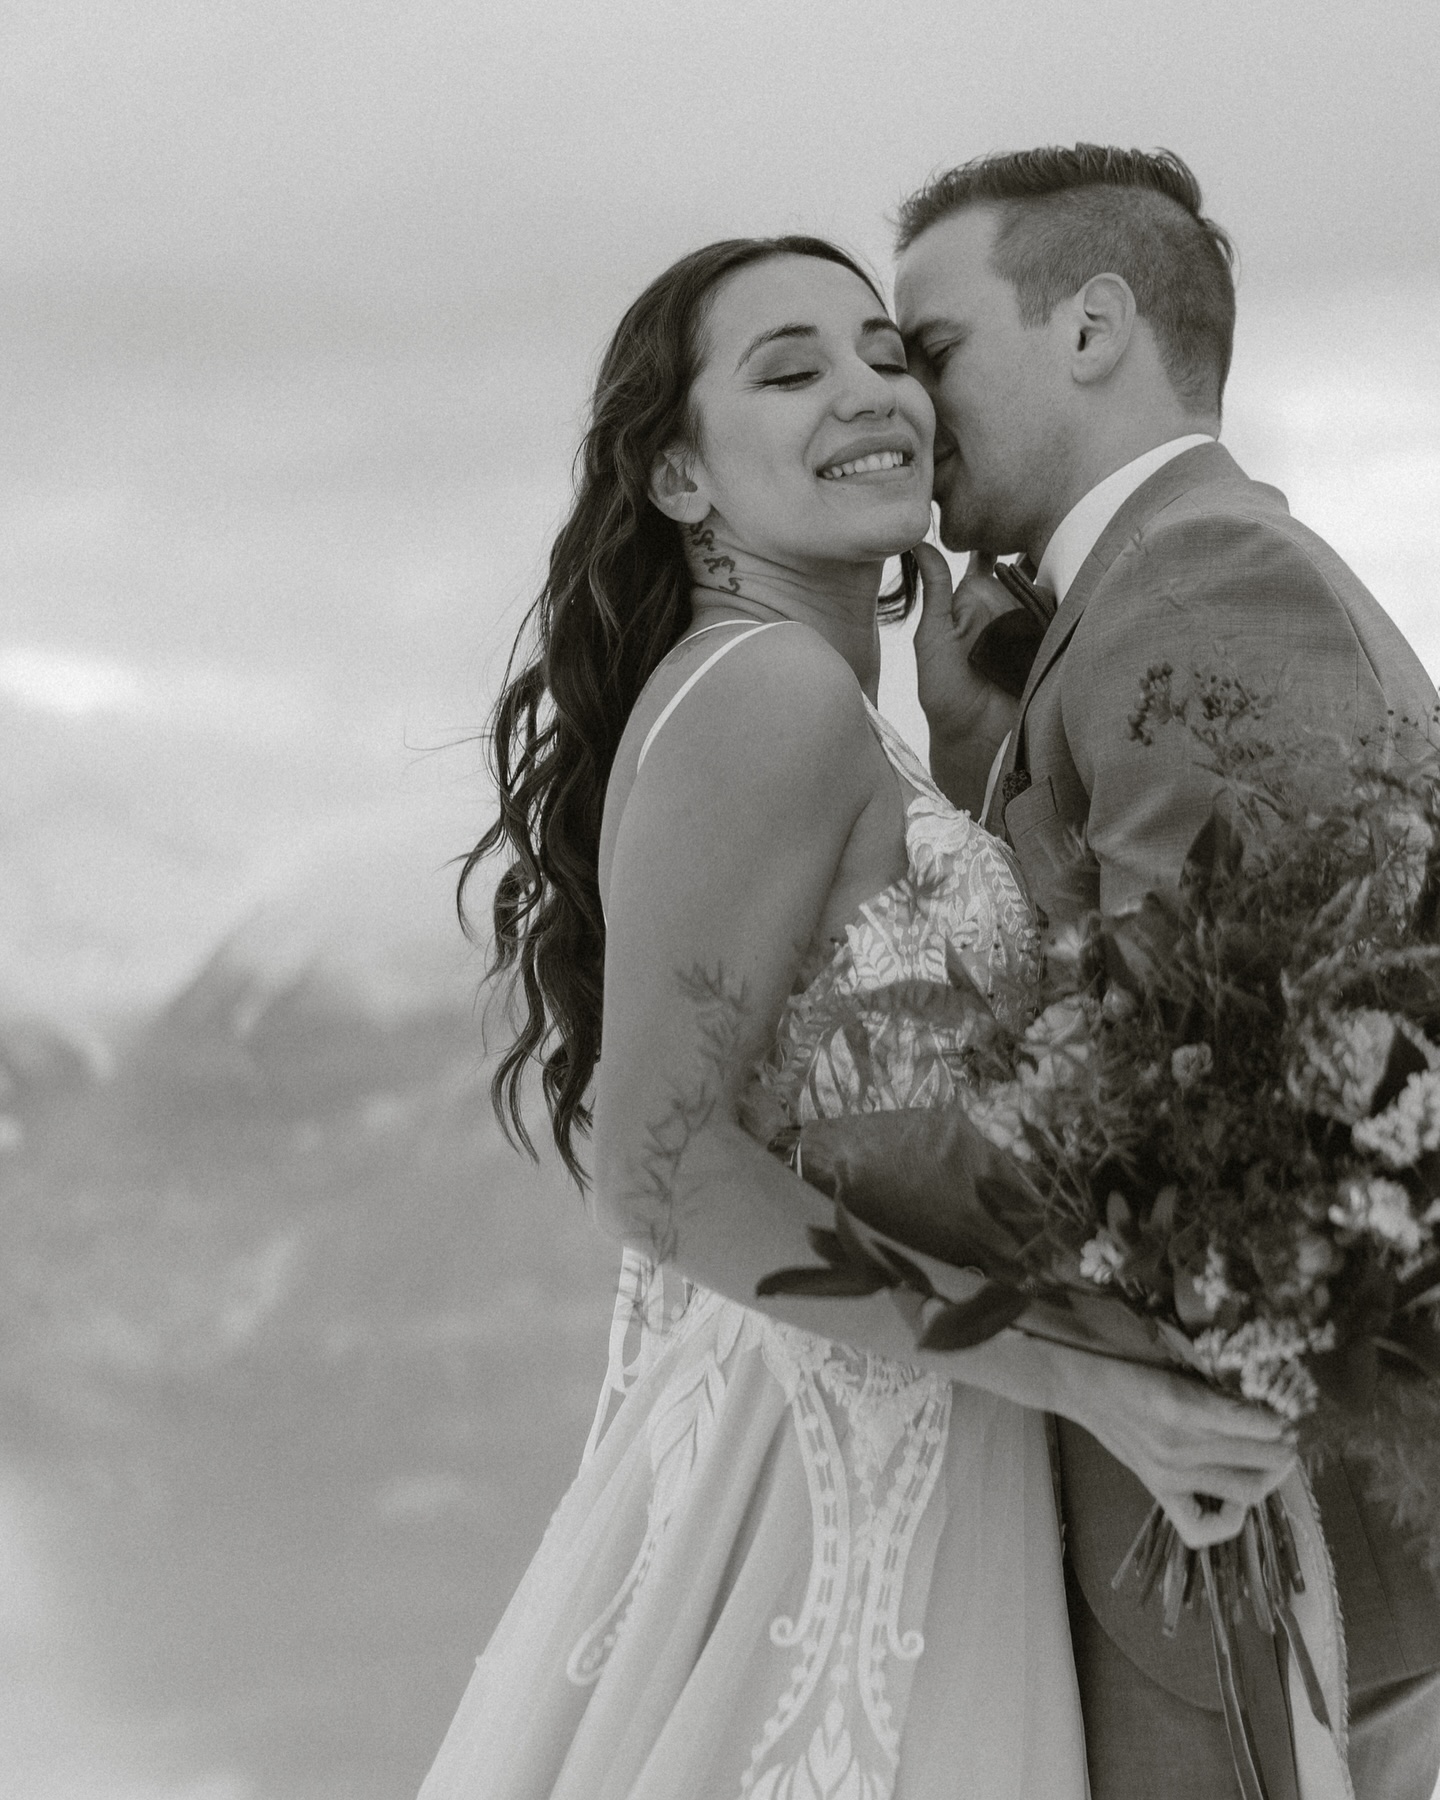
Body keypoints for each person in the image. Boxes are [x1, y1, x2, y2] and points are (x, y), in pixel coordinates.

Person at [416, 233, 1293, 1799]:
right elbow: (660, 1176)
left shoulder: (820, 710)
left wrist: (974, 768)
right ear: (680, 478)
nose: (868, 391)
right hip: (817, 1506)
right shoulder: (770, 694)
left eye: (887, 353)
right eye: (789, 369)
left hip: (903, 1458)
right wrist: (1082, 1378)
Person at [875, 144, 1440, 1800]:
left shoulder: (1204, 581)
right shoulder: (1130, 598)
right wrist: (987, 760)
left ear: (1094, 326)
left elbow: (1235, 1075)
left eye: (932, 350)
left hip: (1291, 1544)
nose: (907, 411)